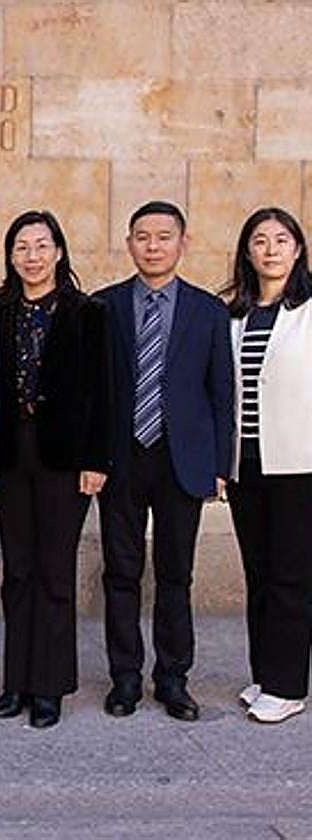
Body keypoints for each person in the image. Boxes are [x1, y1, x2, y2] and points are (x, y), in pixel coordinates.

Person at [95, 201, 233, 722]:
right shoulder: (103, 307)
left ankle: (173, 678)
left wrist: (220, 464)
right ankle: (124, 678)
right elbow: (94, 393)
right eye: (142, 237)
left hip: (183, 460)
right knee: (121, 572)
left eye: (163, 237)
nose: (153, 246)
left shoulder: (207, 310)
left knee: (177, 573)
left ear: (183, 243)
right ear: (128, 243)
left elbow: (222, 391)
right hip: (122, 458)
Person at [0, 211, 110, 729]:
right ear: (11, 256)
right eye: (22, 247)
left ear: (59, 251)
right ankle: (16, 681)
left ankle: (50, 686)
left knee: (55, 571)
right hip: (10, 454)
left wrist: (96, 460)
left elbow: (104, 392)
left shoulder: (88, 313)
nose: (32, 256)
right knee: (18, 571)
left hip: (66, 457)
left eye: (41, 245)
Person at [223, 207, 312, 724]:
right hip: (247, 465)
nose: (271, 249)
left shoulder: (307, 310)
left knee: (291, 577)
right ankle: (265, 674)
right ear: (247, 252)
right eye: (260, 240)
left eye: (282, 239)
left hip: (299, 464)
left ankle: (288, 685)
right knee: (259, 572)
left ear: (297, 249)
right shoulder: (233, 315)